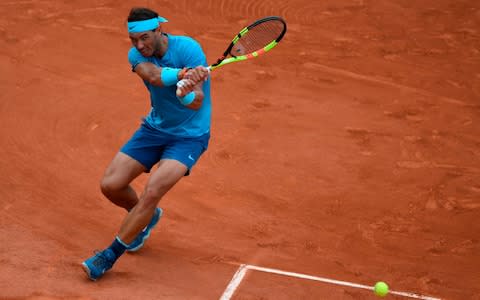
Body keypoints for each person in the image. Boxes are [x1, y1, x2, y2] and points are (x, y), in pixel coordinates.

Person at [82, 7, 211, 281]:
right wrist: (182, 76)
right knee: (110, 185)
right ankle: (146, 218)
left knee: (152, 191)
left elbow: (198, 101)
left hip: (189, 135)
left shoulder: (189, 48)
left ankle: (108, 256)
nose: (140, 45)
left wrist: (187, 93)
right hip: (154, 128)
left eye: (144, 38)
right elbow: (153, 76)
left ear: (159, 31)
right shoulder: (137, 56)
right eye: (134, 40)